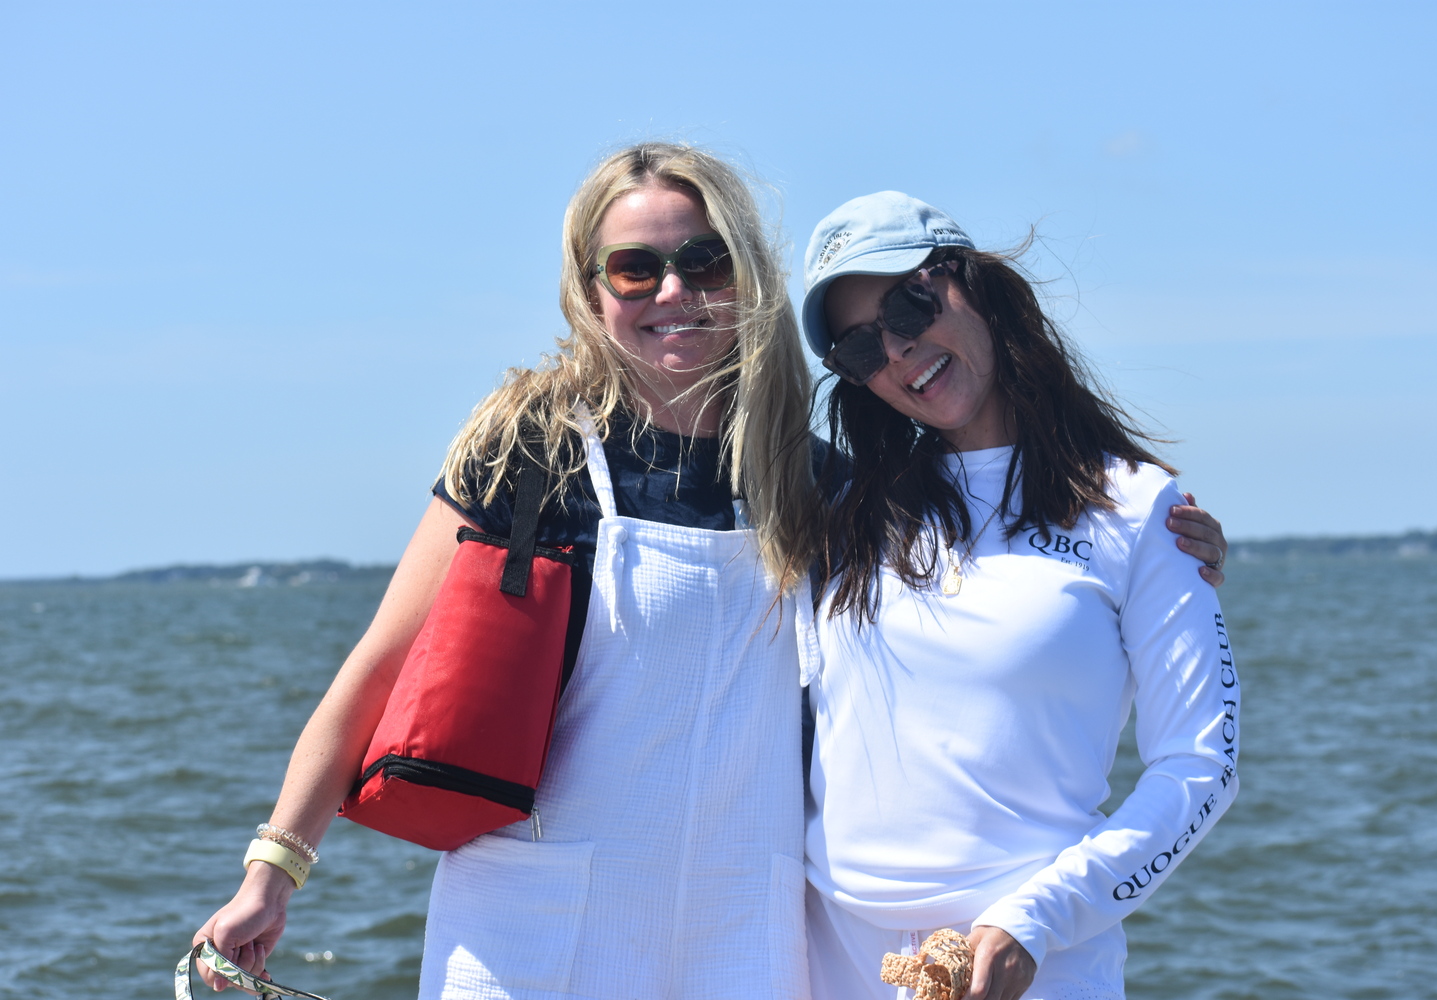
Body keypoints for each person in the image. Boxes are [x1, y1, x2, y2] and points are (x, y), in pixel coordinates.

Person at [192, 147, 1229, 999]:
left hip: (752, 938)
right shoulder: (527, 451)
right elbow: (379, 666)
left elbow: (997, 561)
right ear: (589, 290)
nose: (674, 293)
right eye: (635, 270)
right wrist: (272, 872)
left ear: (746, 276)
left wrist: (1157, 551)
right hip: (532, 925)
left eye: (705, 261)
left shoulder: (820, 483)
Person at [799, 192, 1240, 1000]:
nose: (898, 350)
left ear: (972, 282)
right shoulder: (837, 510)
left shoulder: (1139, 510)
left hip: (1039, 965)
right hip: (826, 964)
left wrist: (1039, 919)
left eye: (908, 303)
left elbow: (1201, 767)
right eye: (860, 348)